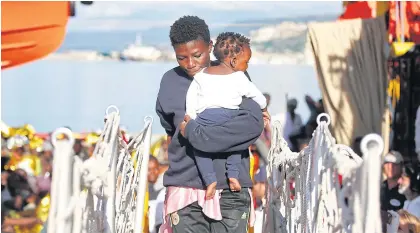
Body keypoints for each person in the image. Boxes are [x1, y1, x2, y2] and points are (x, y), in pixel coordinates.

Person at [156, 15, 265, 233]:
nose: (190, 63)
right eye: (181, 58)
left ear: (211, 46)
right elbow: (171, 131)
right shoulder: (169, 81)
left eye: (197, 55)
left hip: (230, 191)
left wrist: (196, 134)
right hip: (185, 192)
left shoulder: (233, 74)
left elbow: (251, 126)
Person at [185, 32, 268, 199]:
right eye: (247, 62)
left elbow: (191, 98)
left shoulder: (200, 76)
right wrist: (264, 108)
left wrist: (190, 118)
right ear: (234, 61)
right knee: (237, 145)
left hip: (206, 119)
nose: (247, 66)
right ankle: (233, 175)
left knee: (200, 149)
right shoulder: (239, 77)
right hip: (230, 117)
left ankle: (210, 181)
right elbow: (259, 98)